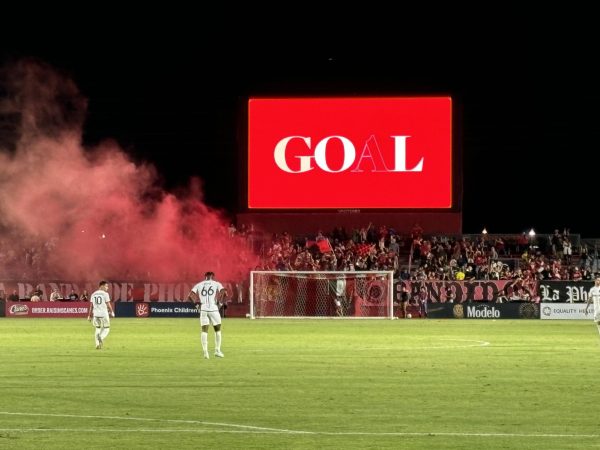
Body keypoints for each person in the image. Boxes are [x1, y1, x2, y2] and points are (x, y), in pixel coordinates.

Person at [187, 271, 227, 359]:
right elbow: (225, 293)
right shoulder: (216, 283)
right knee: (217, 330)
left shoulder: (199, 284)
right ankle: (217, 350)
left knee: (204, 330)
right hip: (213, 309)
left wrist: (197, 305)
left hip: (203, 308)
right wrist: (220, 303)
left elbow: (189, 296)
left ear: (205, 276)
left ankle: (205, 353)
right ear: (213, 276)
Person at [87, 280, 115, 350]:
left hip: (95, 315)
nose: (107, 288)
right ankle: (101, 338)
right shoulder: (105, 294)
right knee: (107, 328)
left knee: (97, 328)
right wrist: (112, 312)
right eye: (106, 286)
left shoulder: (93, 294)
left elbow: (91, 306)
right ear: (102, 286)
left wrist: (89, 316)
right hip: (104, 314)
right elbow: (108, 304)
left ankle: (97, 344)